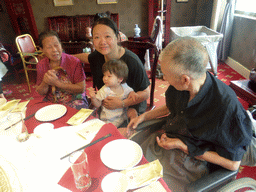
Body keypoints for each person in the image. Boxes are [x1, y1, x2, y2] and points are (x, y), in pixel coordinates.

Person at [127, 37, 253, 191]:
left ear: (185, 80)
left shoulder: (225, 108)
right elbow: (170, 107)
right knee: (131, 169)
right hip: (172, 141)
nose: (164, 78)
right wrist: (144, 116)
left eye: (166, 74)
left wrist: (182, 146)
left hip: (194, 160)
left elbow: (233, 164)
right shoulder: (181, 86)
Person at [74, 17, 150, 128]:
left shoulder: (131, 61)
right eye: (96, 37)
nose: (102, 42)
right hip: (107, 106)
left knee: (120, 134)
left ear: (118, 37)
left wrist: (122, 103)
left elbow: (145, 93)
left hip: (132, 104)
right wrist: (65, 57)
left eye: (107, 36)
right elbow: (86, 57)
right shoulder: (97, 56)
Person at [36, 31, 88, 109]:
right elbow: (41, 92)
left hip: (74, 98)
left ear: (61, 45)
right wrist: (45, 82)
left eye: (56, 45)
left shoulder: (74, 62)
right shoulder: (41, 65)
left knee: (76, 115)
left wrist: (57, 83)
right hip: (52, 100)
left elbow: (81, 89)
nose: (54, 50)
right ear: (42, 49)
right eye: (49, 47)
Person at [88, 59, 138, 127]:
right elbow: (98, 104)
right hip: (109, 121)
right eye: (104, 75)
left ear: (120, 79)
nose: (105, 78)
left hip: (123, 118)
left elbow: (130, 91)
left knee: (132, 113)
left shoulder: (124, 86)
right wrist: (93, 97)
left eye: (109, 76)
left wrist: (132, 93)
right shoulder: (105, 90)